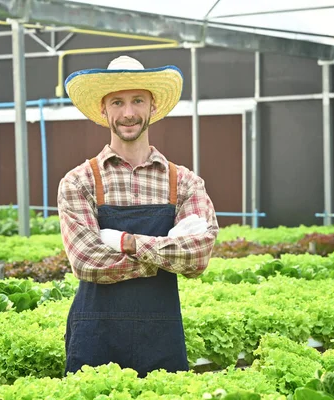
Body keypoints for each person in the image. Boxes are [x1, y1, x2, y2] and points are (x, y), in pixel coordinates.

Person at [57, 55, 219, 378]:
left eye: (137, 101)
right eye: (117, 102)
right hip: (95, 340)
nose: (128, 113)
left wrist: (125, 242)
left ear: (153, 106)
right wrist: (163, 253)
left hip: (161, 341)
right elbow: (87, 261)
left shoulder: (184, 182)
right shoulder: (79, 182)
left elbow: (199, 254)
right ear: (103, 110)